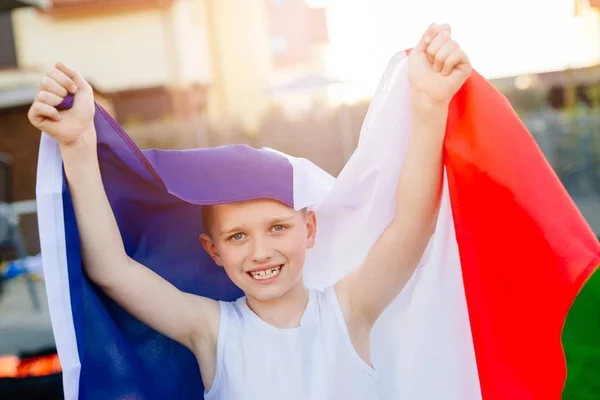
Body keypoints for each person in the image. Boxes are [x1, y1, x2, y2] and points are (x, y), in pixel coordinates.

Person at [27, 23, 471, 399]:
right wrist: (79, 144)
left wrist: (429, 105)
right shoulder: (213, 332)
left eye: (277, 227)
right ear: (213, 249)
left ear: (309, 227)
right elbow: (113, 269)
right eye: (237, 236)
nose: (260, 251)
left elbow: (412, 226)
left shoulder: (349, 309)